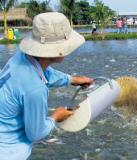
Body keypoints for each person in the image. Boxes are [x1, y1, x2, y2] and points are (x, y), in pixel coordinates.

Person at [0, 12, 93, 160]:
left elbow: (44, 72)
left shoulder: (20, 58)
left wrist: (72, 79)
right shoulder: (35, 88)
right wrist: (56, 117)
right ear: (57, 49)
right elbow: (36, 133)